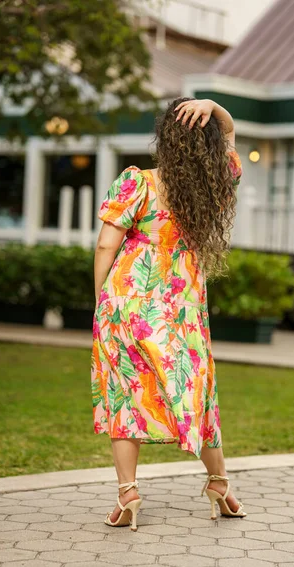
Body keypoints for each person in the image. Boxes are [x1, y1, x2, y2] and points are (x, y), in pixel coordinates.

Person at [91, 97, 246, 531]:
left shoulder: (138, 182)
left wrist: (101, 298)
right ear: (210, 145)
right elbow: (231, 135)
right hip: (183, 310)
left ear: (167, 139)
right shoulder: (218, 182)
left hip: (128, 301)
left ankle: (128, 495)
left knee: (125, 394)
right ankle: (219, 485)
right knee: (200, 394)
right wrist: (214, 108)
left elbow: (106, 244)